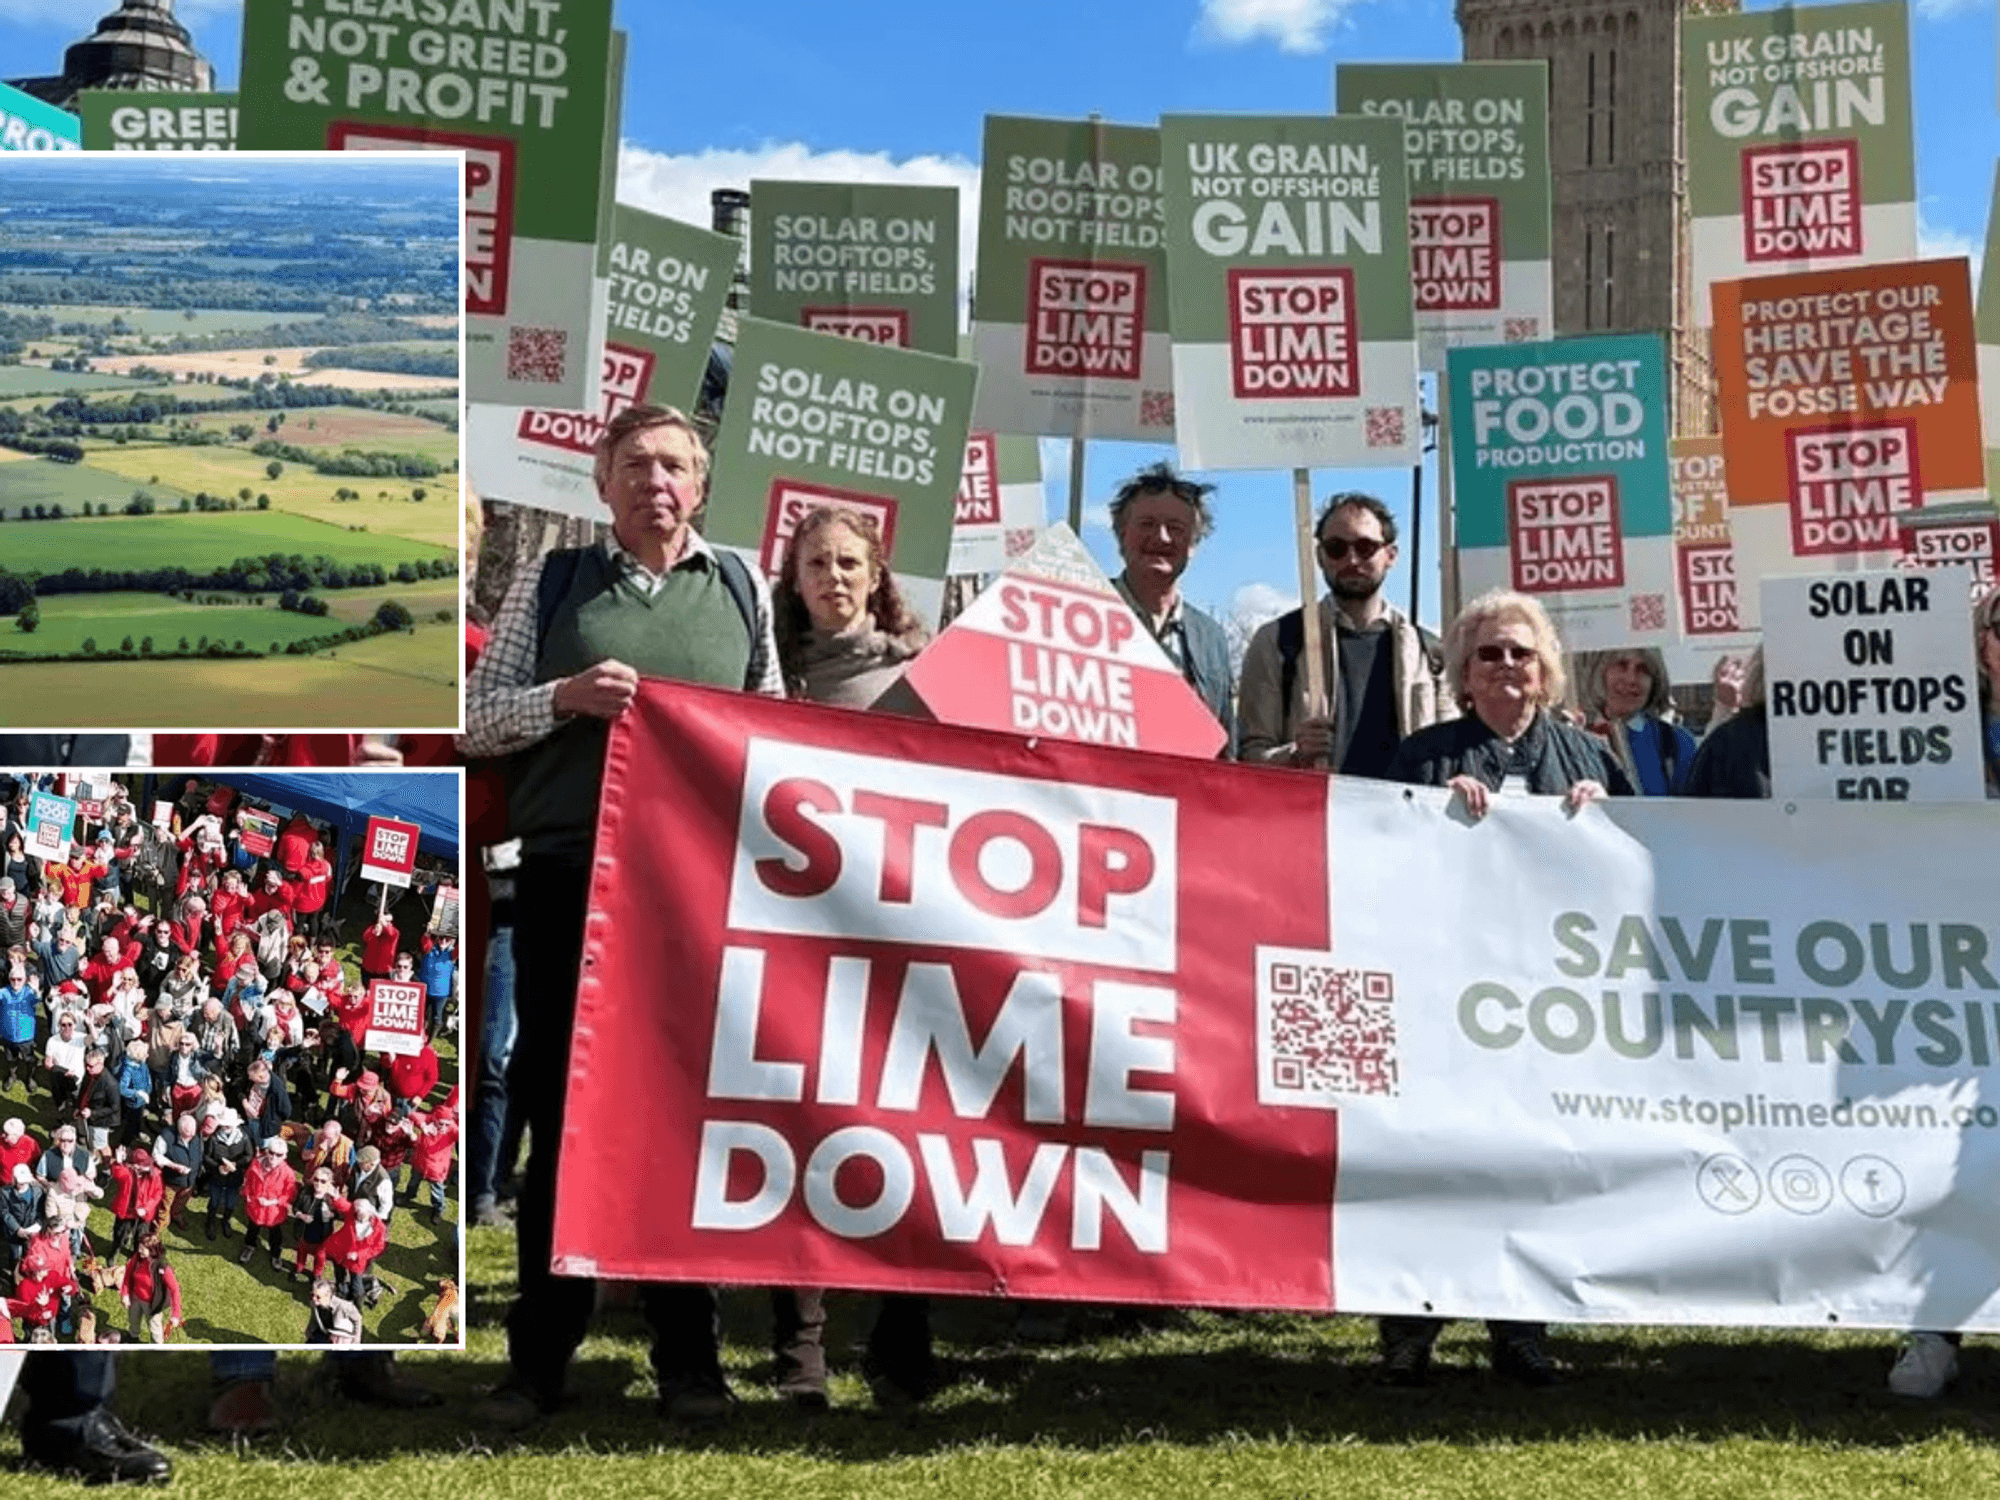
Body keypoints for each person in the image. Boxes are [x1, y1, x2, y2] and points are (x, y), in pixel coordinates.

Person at [462, 402, 782, 1426]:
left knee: (683, 1118)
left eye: (676, 465)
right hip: (568, 881)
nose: (657, 481)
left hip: (694, 892)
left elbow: (774, 740)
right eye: (636, 463)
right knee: (561, 1115)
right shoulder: (553, 581)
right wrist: (560, 698)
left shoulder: (741, 587)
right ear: (602, 484)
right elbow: (471, 721)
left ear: (701, 485)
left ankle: (691, 1359)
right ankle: (538, 1361)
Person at [1377, 590, 1633, 1386]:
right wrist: (1431, 814)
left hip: (1551, 1002)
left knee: (1534, 1165)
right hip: (1449, 996)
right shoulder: (1423, 757)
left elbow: (1643, 863)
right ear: (1463, 671)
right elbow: (1381, 859)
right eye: (1488, 653)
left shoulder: (1588, 757)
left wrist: (1610, 817)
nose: (1506, 665)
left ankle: (1520, 1327)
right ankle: (1411, 1327)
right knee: (1436, 1163)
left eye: (1521, 652)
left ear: (1545, 668)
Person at [768, 504, 942, 1407]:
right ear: (793, 581)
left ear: (877, 577)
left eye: (848, 563)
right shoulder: (766, 680)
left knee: (905, 1139)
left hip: (899, 940)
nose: (832, 578)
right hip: (793, 939)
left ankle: (901, 1346)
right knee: (794, 1137)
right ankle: (799, 1353)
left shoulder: (925, 680)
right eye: (815, 565)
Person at [1239, 491, 1452, 774]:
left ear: (1391, 555)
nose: (1351, 560)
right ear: (1319, 556)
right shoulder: (1277, 642)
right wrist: (1294, 754)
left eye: (1365, 547)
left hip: (1402, 802)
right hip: (1317, 801)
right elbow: (1249, 758)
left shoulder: (1430, 652)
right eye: (1336, 548)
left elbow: (1452, 755)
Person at [1105, 462, 1237, 750]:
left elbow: (1226, 750)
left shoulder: (1211, 638)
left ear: (1193, 545)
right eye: (1147, 524)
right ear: (1121, 534)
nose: (1162, 537)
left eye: (1176, 528)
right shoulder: (1079, 614)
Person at [1574, 648, 1698, 795]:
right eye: (1621, 665)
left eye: (1643, 669)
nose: (1631, 679)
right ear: (1601, 672)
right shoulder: (1576, 739)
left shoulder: (1679, 742)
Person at [116, 1227, 182, 1344]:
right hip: (135, 1298)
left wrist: (175, 1315)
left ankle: (157, 1347)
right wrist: (125, 1294)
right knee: (133, 1320)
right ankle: (133, 1337)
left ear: (152, 1250)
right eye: (139, 1247)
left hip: (152, 1304)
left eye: (142, 1249)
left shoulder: (163, 1268)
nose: (139, 1250)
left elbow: (175, 1289)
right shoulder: (137, 1257)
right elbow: (128, 1274)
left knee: (154, 1328)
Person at [240, 1135, 297, 1272]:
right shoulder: (256, 1164)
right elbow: (248, 1180)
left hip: (274, 1212)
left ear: (284, 1156)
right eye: (271, 1152)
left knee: (275, 1235)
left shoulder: (288, 1173)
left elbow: (289, 1195)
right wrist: (247, 1194)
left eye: (279, 1155)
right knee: (252, 1230)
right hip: (255, 1207)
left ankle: (275, 1255)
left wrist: (272, 1202)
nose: (274, 1157)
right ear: (266, 1151)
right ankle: (249, 1246)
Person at [305, 1272, 364, 1345]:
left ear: (327, 1296)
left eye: (318, 1297)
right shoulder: (315, 1303)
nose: (314, 1299)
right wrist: (309, 1329)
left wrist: (356, 1340)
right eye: (312, 1295)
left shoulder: (343, 1306)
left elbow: (357, 1319)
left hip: (342, 1339)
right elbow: (314, 1317)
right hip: (326, 1333)